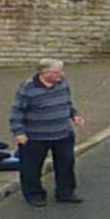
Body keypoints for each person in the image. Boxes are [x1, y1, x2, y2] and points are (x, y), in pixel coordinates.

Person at [10, 57, 84, 208]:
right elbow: (17, 111)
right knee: (31, 167)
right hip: (36, 136)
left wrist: (74, 115)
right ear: (45, 73)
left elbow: (67, 102)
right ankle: (34, 194)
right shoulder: (28, 88)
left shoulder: (62, 84)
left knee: (66, 164)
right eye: (57, 72)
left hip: (63, 133)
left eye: (61, 71)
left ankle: (65, 192)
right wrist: (19, 132)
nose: (61, 75)